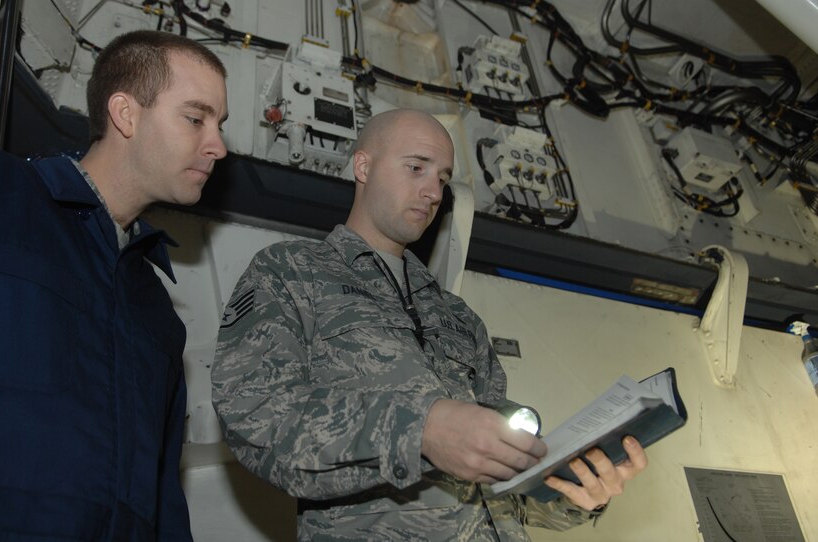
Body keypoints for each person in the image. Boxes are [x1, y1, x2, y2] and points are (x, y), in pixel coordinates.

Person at [211, 108, 647, 541]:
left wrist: (575, 493)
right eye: (416, 167)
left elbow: (501, 488)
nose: (433, 192)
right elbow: (257, 420)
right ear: (363, 166)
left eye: (441, 177)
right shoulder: (292, 271)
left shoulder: (458, 316)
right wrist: (420, 430)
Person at [0, 29, 228, 539]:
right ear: (125, 114)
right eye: (195, 118)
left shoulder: (155, 308)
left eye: (219, 125)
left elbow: (161, 494)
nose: (218, 146)